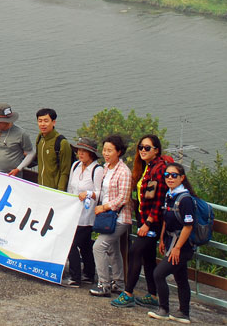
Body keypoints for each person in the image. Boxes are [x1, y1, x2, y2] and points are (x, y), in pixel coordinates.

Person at [112, 134, 171, 308]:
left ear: (157, 150)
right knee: (148, 257)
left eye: (147, 148)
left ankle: (128, 293)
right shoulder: (147, 167)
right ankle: (153, 295)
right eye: (141, 147)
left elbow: (159, 200)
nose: (143, 151)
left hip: (152, 222)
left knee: (135, 252)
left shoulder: (159, 169)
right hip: (144, 219)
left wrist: (148, 223)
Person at [147, 162, 196, 324]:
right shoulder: (170, 195)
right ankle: (183, 313)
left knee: (158, 274)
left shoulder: (185, 199)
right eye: (167, 175)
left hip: (182, 246)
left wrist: (177, 248)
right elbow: (166, 221)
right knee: (181, 278)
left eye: (174, 175)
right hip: (171, 242)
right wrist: (162, 240)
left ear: (182, 178)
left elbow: (188, 227)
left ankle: (164, 309)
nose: (170, 178)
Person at [90, 134, 132, 297]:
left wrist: (104, 207)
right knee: (113, 250)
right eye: (104, 150)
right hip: (108, 217)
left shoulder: (124, 172)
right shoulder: (107, 167)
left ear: (119, 152)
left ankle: (104, 284)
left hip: (119, 217)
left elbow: (123, 198)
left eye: (110, 150)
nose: (106, 153)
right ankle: (119, 283)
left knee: (98, 247)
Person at [65, 137, 104, 287]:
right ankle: (88, 273)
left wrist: (88, 194)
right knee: (86, 245)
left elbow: (100, 192)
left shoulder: (97, 170)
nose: (80, 154)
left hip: (87, 215)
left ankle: (76, 276)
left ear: (91, 154)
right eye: (79, 150)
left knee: (72, 243)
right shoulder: (75, 166)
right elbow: (70, 188)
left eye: (84, 151)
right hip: (74, 212)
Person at [0, 104, 34, 176]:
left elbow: (30, 153)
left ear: (8, 121)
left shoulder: (22, 134)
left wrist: (18, 169)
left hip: (12, 176)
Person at [34, 108, 72, 191]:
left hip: (54, 190)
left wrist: (60, 191)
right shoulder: (40, 138)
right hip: (41, 187)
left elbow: (65, 171)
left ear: (53, 122)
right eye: (40, 121)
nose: (42, 124)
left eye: (46, 121)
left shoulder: (62, 143)